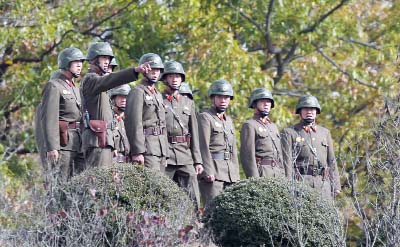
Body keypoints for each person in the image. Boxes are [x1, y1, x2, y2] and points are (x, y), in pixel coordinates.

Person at [80, 42, 150, 168]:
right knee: (98, 184)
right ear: (94, 59)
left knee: (105, 183)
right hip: (96, 141)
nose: (107, 62)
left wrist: (112, 142)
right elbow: (110, 79)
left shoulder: (99, 83)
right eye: (104, 58)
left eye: (109, 58)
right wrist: (134, 70)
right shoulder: (91, 79)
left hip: (104, 141)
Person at [39, 47, 86, 183]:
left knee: (79, 184)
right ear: (66, 63)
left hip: (78, 142)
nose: (80, 65)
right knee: (60, 184)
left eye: (81, 62)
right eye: (76, 62)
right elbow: (49, 118)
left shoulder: (75, 88)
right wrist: (52, 147)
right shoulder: (54, 86)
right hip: (63, 143)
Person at [280, 95, 341, 199]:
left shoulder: (324, 132)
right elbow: (287, 162)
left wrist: (336, 185)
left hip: (323, 184)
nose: (309, 111)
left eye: (312, 109)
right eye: (306, 109)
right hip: (301, 182)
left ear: (317, 111)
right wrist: (289, 185)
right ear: (300, 111)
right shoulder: (290, 132)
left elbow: (331, 160)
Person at [161, 61, 203, 208]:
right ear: (165, 79)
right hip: (166, 154)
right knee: (163, 193)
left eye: (178, 76)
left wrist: (197, 160)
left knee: (193, 194)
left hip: (184, 154)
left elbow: (194, 134)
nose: (175, 79)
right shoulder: (159, 100)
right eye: (171, 76)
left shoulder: (188, 103)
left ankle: (196, 224)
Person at [198, 79, 240, 206]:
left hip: (229, 173)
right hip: (214, 172)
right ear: (213, 98)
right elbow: (202, 145)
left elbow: (233, 150)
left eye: (226, 97)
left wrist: (236, 175)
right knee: (212, 211)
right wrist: (207, 171)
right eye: (220, 97)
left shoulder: (228, 121)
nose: (223, 100)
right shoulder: (205, 117)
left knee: (229, 212)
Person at [124, 53, 169, 171]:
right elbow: (134, 123)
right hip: (147, 149)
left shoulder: (158, 95)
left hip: (160, 149)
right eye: (151, 69)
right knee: (150, 187)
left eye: (158, 69)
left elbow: (162, 124)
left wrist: (165, 151)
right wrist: (137, 151)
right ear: (144, 70)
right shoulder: (137, 92)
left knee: (160, 188)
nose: (155, 72)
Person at [240, 88, 285, 178]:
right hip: (262, 172)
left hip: (277, 173)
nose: (266, 104)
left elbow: (280, 154)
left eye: (269, 101)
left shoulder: (273, 126)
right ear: (255, 103)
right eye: (262, 101)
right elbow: (247, 156)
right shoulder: (250, 125)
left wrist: (283, 173)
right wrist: (254, 179)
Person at [108, 84, 131, 163]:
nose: (124, 100)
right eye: (120, 96)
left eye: (126, 97)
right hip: (113, 162)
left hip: (128, 163)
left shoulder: (130, 119)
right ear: (113, 99)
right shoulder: (108, 118)